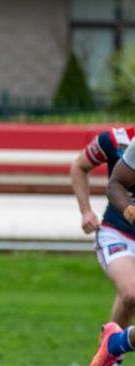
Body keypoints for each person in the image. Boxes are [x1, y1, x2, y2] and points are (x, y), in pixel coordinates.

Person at [90, 136, 135, 366]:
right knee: (131, 293)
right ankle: (114, 350)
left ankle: (115, 344)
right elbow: (116, 182)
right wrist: (130, 211)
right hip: (117, 232)